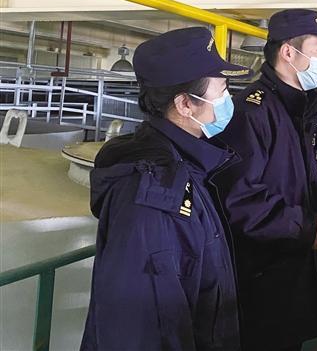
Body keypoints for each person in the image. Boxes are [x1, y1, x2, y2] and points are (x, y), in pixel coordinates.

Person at [81, 27, 252, 351]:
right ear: (185, 104)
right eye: (222, 90)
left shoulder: (187, 166)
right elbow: (140, 329)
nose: (229, 100)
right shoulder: (154, 196)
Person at [215, 9, 317, 351]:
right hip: (261, 272)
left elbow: (304, 171)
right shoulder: (252, 112)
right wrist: (307, 229)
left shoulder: (296, 108)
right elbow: (240, 199)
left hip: (291, 265)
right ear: (289, 52)